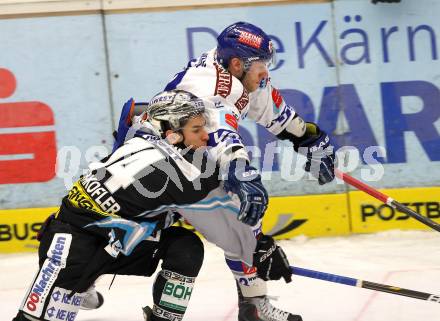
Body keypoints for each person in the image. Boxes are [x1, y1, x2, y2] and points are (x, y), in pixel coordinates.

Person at [13, 90, 292, 321]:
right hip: (74, 243)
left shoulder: (144, 134)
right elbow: (225, 225)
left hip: (122, 240)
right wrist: (258, 250)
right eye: (197, 129)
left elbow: (135, 113)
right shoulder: (174, 173)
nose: (206, 136)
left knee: (185, 247)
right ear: (172, 133)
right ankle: (82, 281)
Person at [161, 22, 335, 321]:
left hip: (192, 162)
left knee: (242, 226)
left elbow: (273, 112)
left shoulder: (237, 72)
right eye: (261, 66)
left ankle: (254, 306)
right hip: (160, 167)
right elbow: (216, 127)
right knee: (133, 238)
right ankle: (76, 281)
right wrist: (238, 167)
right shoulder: (208, 84)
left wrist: (307, 136)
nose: (265, 73)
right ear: (238, 63)